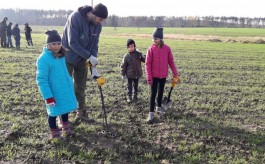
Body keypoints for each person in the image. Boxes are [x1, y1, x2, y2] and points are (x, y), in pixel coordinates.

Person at [62, 3, 108, 120]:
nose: (101, 22)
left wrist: (93, 61)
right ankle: (63, 117)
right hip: (68, 58)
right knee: (64, 86)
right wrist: (88, 55)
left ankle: (81, 112)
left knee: (80, 86)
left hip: (82, 60)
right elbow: (72, 42)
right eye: (100, 19)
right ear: (93, 14)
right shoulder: (75, 17)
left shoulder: (97, 26)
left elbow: (94, 44)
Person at [36, 30, 78, 140]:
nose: (56, 46)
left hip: (63, 89)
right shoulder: (43, 59)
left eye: (58, 43)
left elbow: (64, 71)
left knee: (65, 108)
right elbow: (42, 79)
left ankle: (66, 127)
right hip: (53, 91)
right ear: (47, 45)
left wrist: (69, 79)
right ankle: (55, 134)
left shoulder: (61, 56)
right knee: (53, 113)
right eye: (53, 44)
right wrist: (48, 97)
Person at [145, 27, 180, 124]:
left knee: (160, 92)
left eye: (156, 39)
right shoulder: (150, 49)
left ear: (161, 39)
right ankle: (151, 113)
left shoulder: (167, 49)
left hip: (163, 75)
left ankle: (158, 107)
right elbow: (147, 64)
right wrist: (149, 77)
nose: (154, 40)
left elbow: (171, 61)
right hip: (154, 76)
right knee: (153, 94)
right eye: (153, 38)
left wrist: (175, 74)